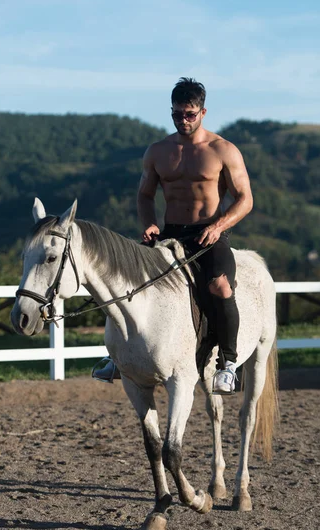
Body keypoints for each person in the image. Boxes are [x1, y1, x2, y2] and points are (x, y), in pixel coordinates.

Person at [93, 77, 253, 394]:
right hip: (170, 234)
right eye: (177, 114)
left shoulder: (223, 150)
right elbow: (144, 195)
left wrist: (218, 226)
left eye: (189, 114)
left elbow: (245, 199)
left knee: (220, 287)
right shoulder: (158, 151)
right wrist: (150, 222)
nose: (183, 120)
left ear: (203, 112)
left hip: (209, 234)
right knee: (126, 280)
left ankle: (229, 364)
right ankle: (117, 356)